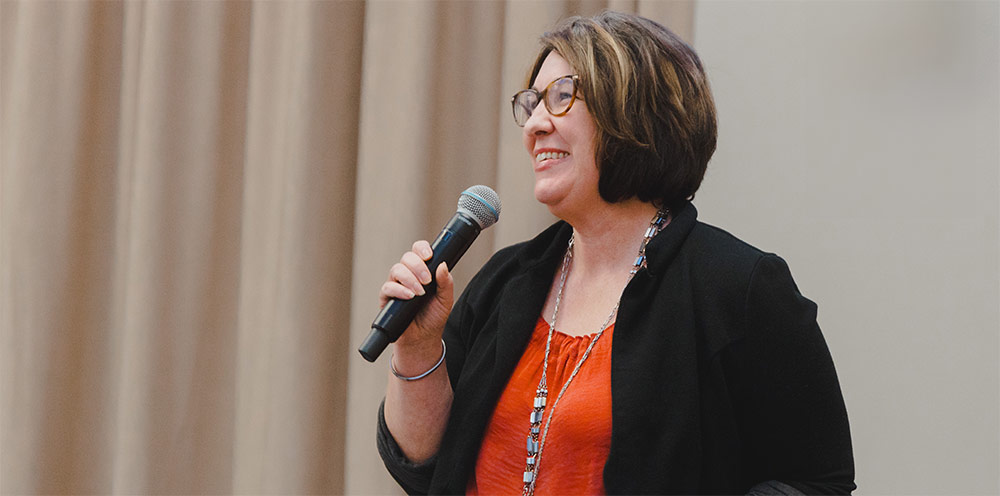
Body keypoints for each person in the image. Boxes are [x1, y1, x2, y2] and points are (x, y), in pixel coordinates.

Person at [375, 11, 855, 495]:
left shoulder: (738, 287)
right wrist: (417, 348)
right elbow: (423, 463)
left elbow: (817, 482)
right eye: (532, 102)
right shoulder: (508, 280)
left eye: (562, 97)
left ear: (636, 111)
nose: (536, 124)